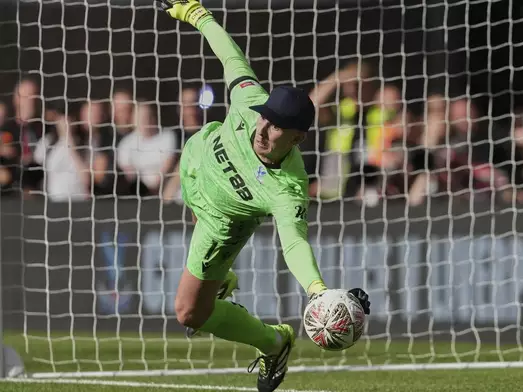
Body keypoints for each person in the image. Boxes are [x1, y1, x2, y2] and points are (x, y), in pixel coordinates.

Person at [155, 2, 371, 392]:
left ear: (298, 138)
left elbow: (293, 242)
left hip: (219, 225)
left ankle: (274, 342)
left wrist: (317, 291)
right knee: (201, 290)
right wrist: (197, 14)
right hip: (193, 168)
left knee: (188, 313)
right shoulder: (250, 101)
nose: (263, 128)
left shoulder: (287, 188)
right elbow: (230, 55)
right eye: (265, 117)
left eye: (277, 127)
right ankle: (221, 282)